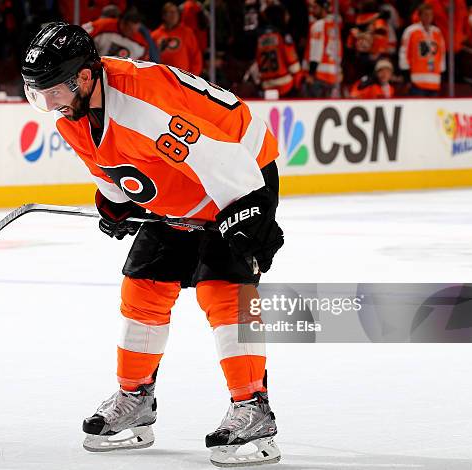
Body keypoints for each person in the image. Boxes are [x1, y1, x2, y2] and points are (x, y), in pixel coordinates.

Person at [21, 22, 283, 467]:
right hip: (177, 185)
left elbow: (222, 159)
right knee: (143, 285)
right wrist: (117, 202)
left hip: (239, 175)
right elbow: (114, 168)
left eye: (53, 92)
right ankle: (135, 399)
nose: (48, 105)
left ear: (84, 78)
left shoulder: (144, 107)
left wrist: (252, 214)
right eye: (37, 94)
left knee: (223, 288)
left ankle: (252, 408)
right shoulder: (73, 113)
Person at [254, 5, 303, 98]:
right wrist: (298, 83)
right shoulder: (282, 35)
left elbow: (256, 62)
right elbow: (293, 63)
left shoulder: (260, 38)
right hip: (285, 85)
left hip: (267, 86)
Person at [399, 3, 446, 97]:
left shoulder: (437, 32)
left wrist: (442, 71)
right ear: (419, 16)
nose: (428, 17)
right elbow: (404, 52)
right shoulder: (411, 31)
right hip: (416, 81)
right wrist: (406, 75)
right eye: (425, 14)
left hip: (434, 80)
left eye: (431, 14)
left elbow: (442, 53)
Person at [303, 0, 342, 98]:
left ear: (323, 9)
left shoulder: (318, 25)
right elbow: (339, 51)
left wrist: (311, 73)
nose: (312, 10)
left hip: (319, 75)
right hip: (333, 75)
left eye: (315, 7)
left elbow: (316, 51)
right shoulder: (334, 26)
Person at [151, 2, 202, 75]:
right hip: (162, 76)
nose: (174, 15)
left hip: (183, 77)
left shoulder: (187, 33)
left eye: (176, 12)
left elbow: (196, 56)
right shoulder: (155, 35)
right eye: (171, 12)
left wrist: (194, 76)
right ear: (164, 16)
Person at [83, 7, 149, 60]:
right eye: (130, 29)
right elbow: (80, 35)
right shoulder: (102, 26)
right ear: (122, 22)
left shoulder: (141, 44)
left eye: (136, 30)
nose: (133, 33)